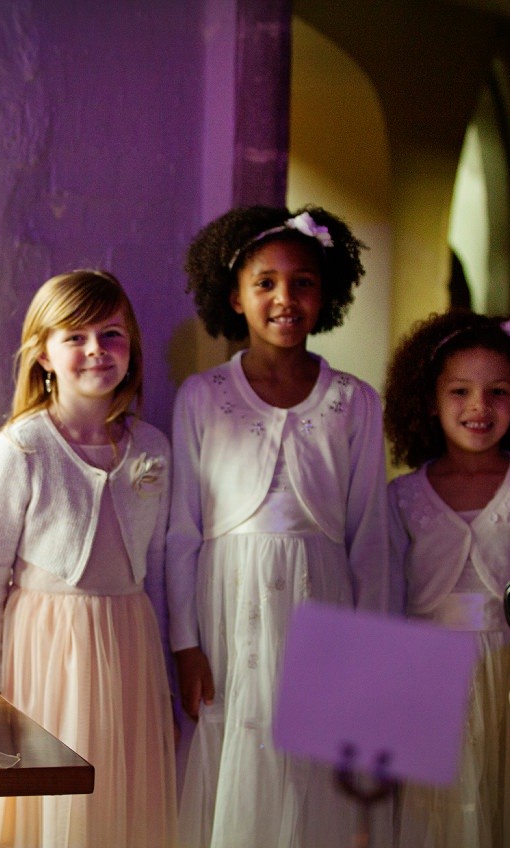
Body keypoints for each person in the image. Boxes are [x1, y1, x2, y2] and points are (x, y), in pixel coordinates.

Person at [168, 205, 396, 847]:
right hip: (227, 607)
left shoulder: (354, 401)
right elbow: (182, 534)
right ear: (235, 297)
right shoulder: (202, 396)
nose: (284, 299)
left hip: (320, 603)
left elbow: (371, 541)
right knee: (233, 746)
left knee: (309, 769)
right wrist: (185, 642)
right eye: (264, 282)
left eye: (302, 283)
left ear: (326, 294)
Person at [0, 270, 177, 848]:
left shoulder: (151, 447)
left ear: (132, 348)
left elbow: (162, 563)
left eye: (112, 334)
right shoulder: (23, 447)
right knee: (46, 806)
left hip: (128, 645)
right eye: (75, 337)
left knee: (115, 803)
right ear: (43, 355)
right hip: (46, 651)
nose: (96, 350)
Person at [383, 310, 510, 848]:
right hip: (423, 687)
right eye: (460, 391)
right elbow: (381, 613)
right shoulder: (399, 499)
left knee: (505, 817)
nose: (478, 407)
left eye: (497, 392)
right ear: (428, 399)